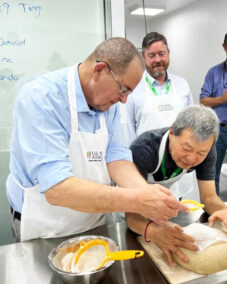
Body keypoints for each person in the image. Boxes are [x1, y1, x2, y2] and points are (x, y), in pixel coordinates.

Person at [6, 37, 188, 242]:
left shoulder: (108, 105)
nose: (124, 99)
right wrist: (138, 200)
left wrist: (147, 192)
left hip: (92, 220)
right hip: (45, 225)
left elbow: (117, 158)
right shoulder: (42, 98)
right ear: (99, 70)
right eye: (123, 89)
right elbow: (57, 190)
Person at [126, 105, 227, 266]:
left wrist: (223, 211)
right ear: (172, 132)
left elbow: (209, 197)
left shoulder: (207, 151)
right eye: (186, 149)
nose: (192, 159)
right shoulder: (143, 150)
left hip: (162, 205)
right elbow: (132, 214)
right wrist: (153, 231)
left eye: (201, 153)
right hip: (132, 209)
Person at [125, 32, 194, 145]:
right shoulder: (133, 88)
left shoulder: (182, 84)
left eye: (161, 54)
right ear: (143, 57)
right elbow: (128, 132)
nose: (157, 60)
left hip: (179, 157)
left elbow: (191, 124)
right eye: (152, 55)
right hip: (145, 158)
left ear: (168, 53)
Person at [200, 33, 227, 196]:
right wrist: (221, 99)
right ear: (224, 47)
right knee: (213, 174)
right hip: (219, 130)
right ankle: (214, 211)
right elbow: (202, 100)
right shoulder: (214, 72)